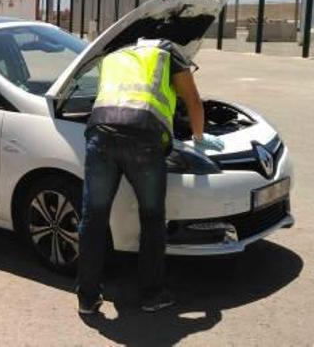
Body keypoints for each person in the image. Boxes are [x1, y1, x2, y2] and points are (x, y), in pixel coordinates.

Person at [76, 38, 224, 315]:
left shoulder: (114, 55)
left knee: (93, 216)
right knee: (152, 216)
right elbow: (192, 99)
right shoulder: (168, 51)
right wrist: (199, 136)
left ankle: (87, 297)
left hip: (100, 134)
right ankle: (152, 294)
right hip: (143, 138)